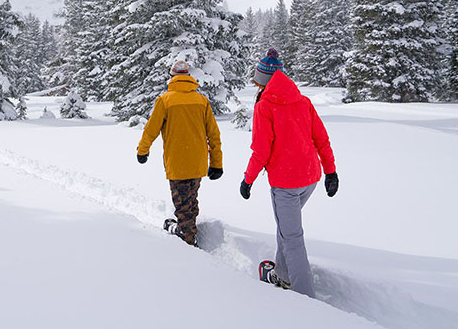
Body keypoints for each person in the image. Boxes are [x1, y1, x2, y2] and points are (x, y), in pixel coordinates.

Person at [240, 49, 339, 298]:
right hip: (310, 178)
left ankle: (304, 299)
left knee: (292, 237)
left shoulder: (265, 107)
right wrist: (330, 171)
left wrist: (247, 180)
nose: (256, 86)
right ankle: (283, 276)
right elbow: (322, 139)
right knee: (286, 228)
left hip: (286, 183)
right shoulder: (302, 101)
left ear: (264, 81)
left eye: (257, 81)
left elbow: (261, 150)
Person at [137, 60, 223, 247]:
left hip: (177, 163)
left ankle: (187, 241)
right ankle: (187, 226)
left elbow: (151, 130)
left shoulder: (165, 101)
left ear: (172, 77)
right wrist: (216, 163)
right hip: (198, 162)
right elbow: (214, 134)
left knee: (183, 204)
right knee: (191, 199)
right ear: (188, 77)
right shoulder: (201, 101)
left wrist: (142, 151)